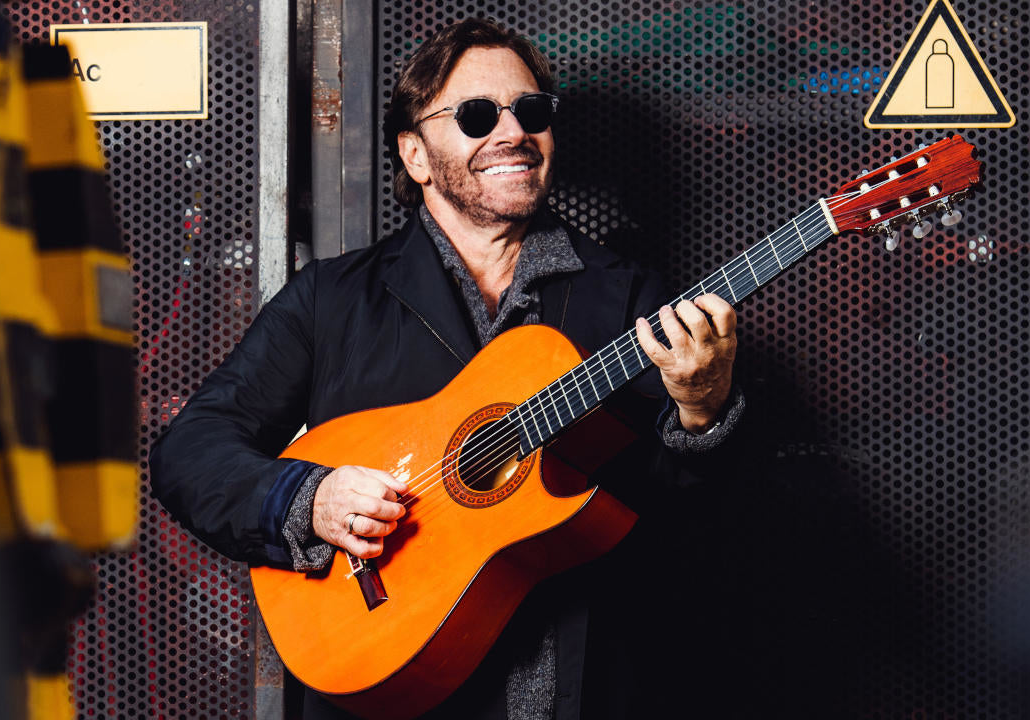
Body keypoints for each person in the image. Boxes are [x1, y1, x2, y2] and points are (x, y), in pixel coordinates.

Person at [151, 18, 746, 720]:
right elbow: (189, 451)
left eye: (531, 111)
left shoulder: (629, 298)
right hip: (389, 677)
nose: (513, 133)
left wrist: (701, 413)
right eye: (474, 116)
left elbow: (686, 518)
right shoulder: (333, 300)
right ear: (416, 155)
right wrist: (311, 499)